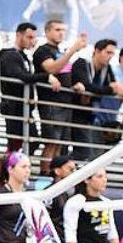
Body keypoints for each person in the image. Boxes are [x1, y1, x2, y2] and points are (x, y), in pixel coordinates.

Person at [32, 20, 87, 171]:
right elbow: (51, 68)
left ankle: (54, 175)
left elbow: (64, 73)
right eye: (57, 29)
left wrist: (76, 84)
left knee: (59, 144)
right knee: (51, 142)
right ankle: (44, 176)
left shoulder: (60, 51)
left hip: (65, 103)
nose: (61, 33)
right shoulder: (42, 51)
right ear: (47, 31)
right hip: (51, 103)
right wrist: (72, 51)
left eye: (63, 30)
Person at [0, 22, 55, 152]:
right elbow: (21, 76)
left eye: (34, 38)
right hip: (14, 106)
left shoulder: (23, 56)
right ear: (19, 35)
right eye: (29, 37)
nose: (32, 41)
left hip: (24, 106)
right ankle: (8, 167)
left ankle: (13, 165)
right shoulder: (10, 55)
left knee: (28, 141)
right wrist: (46, 77)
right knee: (17, 143)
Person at [70, 39, 120, 157]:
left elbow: (113, 88)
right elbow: (88, 86)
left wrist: (97, 90)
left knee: (87, 151)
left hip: (89, 114)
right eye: (108, 53)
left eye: (112, 53)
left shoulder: (107, 69)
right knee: (82, 151)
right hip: (73, 112)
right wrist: (107, 90)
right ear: (97, 51)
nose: (110, 56)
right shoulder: (81, 63)